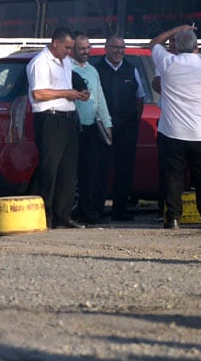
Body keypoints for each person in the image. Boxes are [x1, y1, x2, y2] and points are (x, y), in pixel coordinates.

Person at [147, 25, 201, 230]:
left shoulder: (168, 63)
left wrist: (177, 29)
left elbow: (154, 43)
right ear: (197, 47)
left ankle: (173, 218)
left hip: (172, 131)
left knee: (173, 176)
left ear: (177, 47)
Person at [26, 27, 88, 229]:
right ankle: (44, 215)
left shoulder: (66, 62)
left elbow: (71, 84)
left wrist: (79, 93)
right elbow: (38, 94)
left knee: (68, 170)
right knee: (49, 168)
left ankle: (64, 214)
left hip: (68, 116)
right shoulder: (40, 62)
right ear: (55, 43)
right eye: (67, 47)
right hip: (50, 118)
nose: (69, 52)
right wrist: (65, 93)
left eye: (71, 49)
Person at [94, 35, 145, 220]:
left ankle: (120, 210)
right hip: (102, 129)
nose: (119, 51)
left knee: (124, 169)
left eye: (122, 47)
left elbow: (140, 98)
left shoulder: (131, 69)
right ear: (106, 48)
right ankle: (96, 209)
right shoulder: (96, 70)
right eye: (115, 47)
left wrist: (133, 121)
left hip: (126, 128)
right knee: (100, 169)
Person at [71, 33, 113, 224]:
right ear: (73, 49)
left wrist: (107, 123)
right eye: (82, 48)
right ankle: (69, 211)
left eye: (88, 48)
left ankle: (88, 210)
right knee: (73, 173)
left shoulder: (92, 71)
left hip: (92, 127)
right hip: (73, 127)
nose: (86, 52)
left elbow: (100, 99)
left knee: (92, 171)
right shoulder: (66, 69)